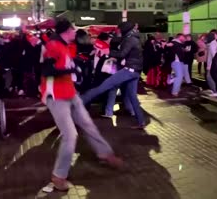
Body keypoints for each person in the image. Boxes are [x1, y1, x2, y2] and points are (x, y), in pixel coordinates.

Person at [40, 19, 123, 191]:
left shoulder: (65, 46)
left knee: (88, 125)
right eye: (73, 29)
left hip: (70, 93)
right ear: (66, 31)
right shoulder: (52, 46)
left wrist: (74, 70)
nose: (75, 33)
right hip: (56, 97)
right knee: (70, 135)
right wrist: (70, 71)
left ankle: (105, 153)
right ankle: (58, 176)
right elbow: (47, 70)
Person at [80, 21, 146, 129]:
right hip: (135, 72)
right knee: (133, 97)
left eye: (119, 30)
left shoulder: (130, 39)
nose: (117, 32)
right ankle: (141, 122)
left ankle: (79, 102)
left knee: (103, 87)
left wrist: (107, 52)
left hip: (129, 71)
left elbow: (122, 54)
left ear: (124, 29)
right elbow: (118, 41)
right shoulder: (133, 38)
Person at [205, 31, 217, 96]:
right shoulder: (213, 43)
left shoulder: (212, 44)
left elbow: (214, 55)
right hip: (212, 64)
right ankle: (215, 90)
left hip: (212, 64)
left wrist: (212, 65)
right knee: (211, 77)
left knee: (209, 77)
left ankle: (216, 91)